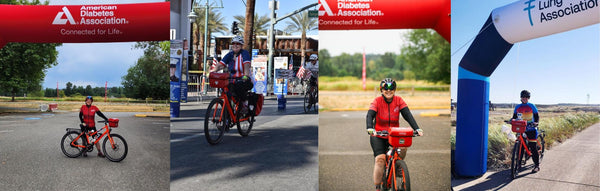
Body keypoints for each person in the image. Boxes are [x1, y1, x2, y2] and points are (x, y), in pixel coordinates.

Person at [366, 78, 423, 191]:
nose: (388, 90)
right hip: (378, 134)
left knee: (403, 148)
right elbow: (370, 115)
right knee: (380, 160)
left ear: (395, 89)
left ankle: (397, 165)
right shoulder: (377, 101)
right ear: (381, 90)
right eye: (385, 88)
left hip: (394, 134)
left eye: (391, 88)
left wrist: (417, 128)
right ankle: (378, 187)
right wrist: (370, 128)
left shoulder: (398, 100)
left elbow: (407, 114)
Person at [210, 36, 253, 114]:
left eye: (238, 44)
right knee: (226, 91)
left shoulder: (244, 53)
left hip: (243, 79)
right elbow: (220, 65)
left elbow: (246, 65)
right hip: (232, 79)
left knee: (240, 88)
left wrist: (246, 76)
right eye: (233, 43)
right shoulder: (230, 55)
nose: (235, 45)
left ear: (241, 45)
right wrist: (211, 72)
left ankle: (244, 104)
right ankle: (227, 115)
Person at [511, 90, 540, 173]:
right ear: (521, 98)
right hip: (521, 128)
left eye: (526, 97)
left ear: (528, 98)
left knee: (533, 147)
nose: (524, 99)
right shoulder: (518, 107)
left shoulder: (532, 106)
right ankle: (518, 164)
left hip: (531, 128)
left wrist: (536, 123)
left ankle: (537, 165)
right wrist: (511, 120)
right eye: (523, 97)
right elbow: (514, 116)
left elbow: (536, 116)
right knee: (521, 146)